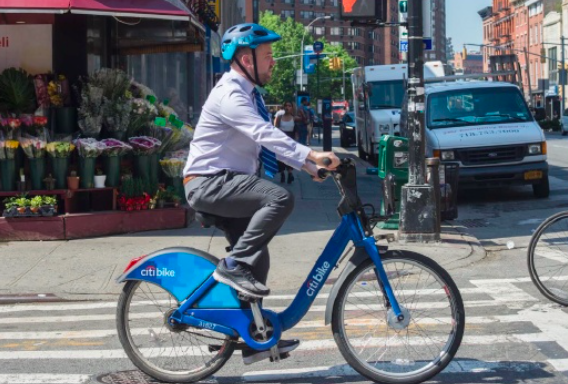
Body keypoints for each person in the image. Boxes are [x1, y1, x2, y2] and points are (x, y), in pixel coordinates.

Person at [182, 23, 340, 364]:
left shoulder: (249, 94)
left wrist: (311, 167)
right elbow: (262, 134)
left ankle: (254, 336)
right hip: (209, 182)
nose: (273, 63)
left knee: (259, 259)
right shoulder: (230, 95)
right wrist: (310, 154)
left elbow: (267, 138)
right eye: (267, 56)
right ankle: (232, 265)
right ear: (245, 59)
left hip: (226, 182)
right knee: (279, 198)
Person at [274, 101, 296, 184]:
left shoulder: (294, 118)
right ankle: (282, 173)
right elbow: (275, 128)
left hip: (291, 139)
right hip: (281, 138)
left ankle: (290, 173)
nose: (287, 107)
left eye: (289, 105)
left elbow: (297, 130)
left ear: (292, 107)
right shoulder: (280, 117)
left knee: (290, 157)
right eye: (286, 105)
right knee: (281, 158)